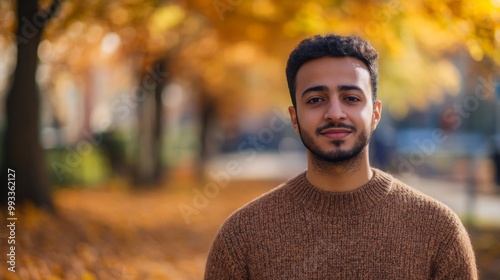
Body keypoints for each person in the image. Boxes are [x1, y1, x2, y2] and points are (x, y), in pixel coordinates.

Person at [204, 34, 477, 279]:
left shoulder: (439, 231)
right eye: (315, 100)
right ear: (294, 118)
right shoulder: (242, 237)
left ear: (375, 113)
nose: (335, 113)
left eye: (351, 98)